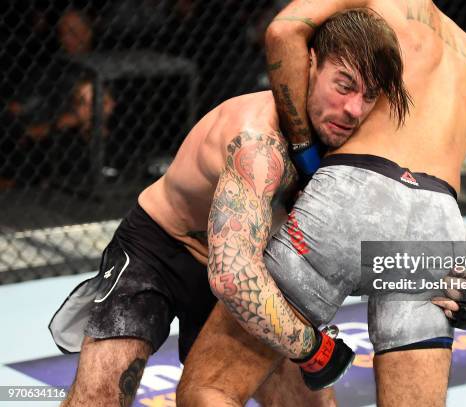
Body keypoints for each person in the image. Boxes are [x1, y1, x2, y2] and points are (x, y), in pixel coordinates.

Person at [48, 7, 409, 407]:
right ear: (309, 66)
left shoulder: (355, 134)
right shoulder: (258, 140)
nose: (354, 109)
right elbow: (234, 275)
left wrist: (443, 278)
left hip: (253, 266)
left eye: (369, 95)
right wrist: (311, 347)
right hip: (160, 251)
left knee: (312, 405)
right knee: (98, 399)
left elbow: (385, 226)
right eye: (344, 86)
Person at [178, 1, 466, 406]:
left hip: (354, 189)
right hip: (440, 219)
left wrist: (304, 148)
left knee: (210, 389)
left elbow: (282, 32)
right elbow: (441, 178)